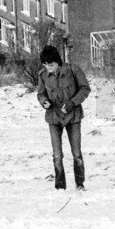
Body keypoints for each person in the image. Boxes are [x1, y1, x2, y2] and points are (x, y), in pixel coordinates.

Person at [36, 44, 91, 191]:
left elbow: (85, 89)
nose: (48, 67)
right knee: (57, 155)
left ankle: (80, 184)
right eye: (45, 64)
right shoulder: (42, 75)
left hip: (73, 117)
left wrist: (73, 103)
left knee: (77, 153)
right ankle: (60, 187)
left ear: (58, 61)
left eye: (51, 64)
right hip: (54, 118)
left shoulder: (73, 70)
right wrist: (44, 102)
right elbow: (41, 94)